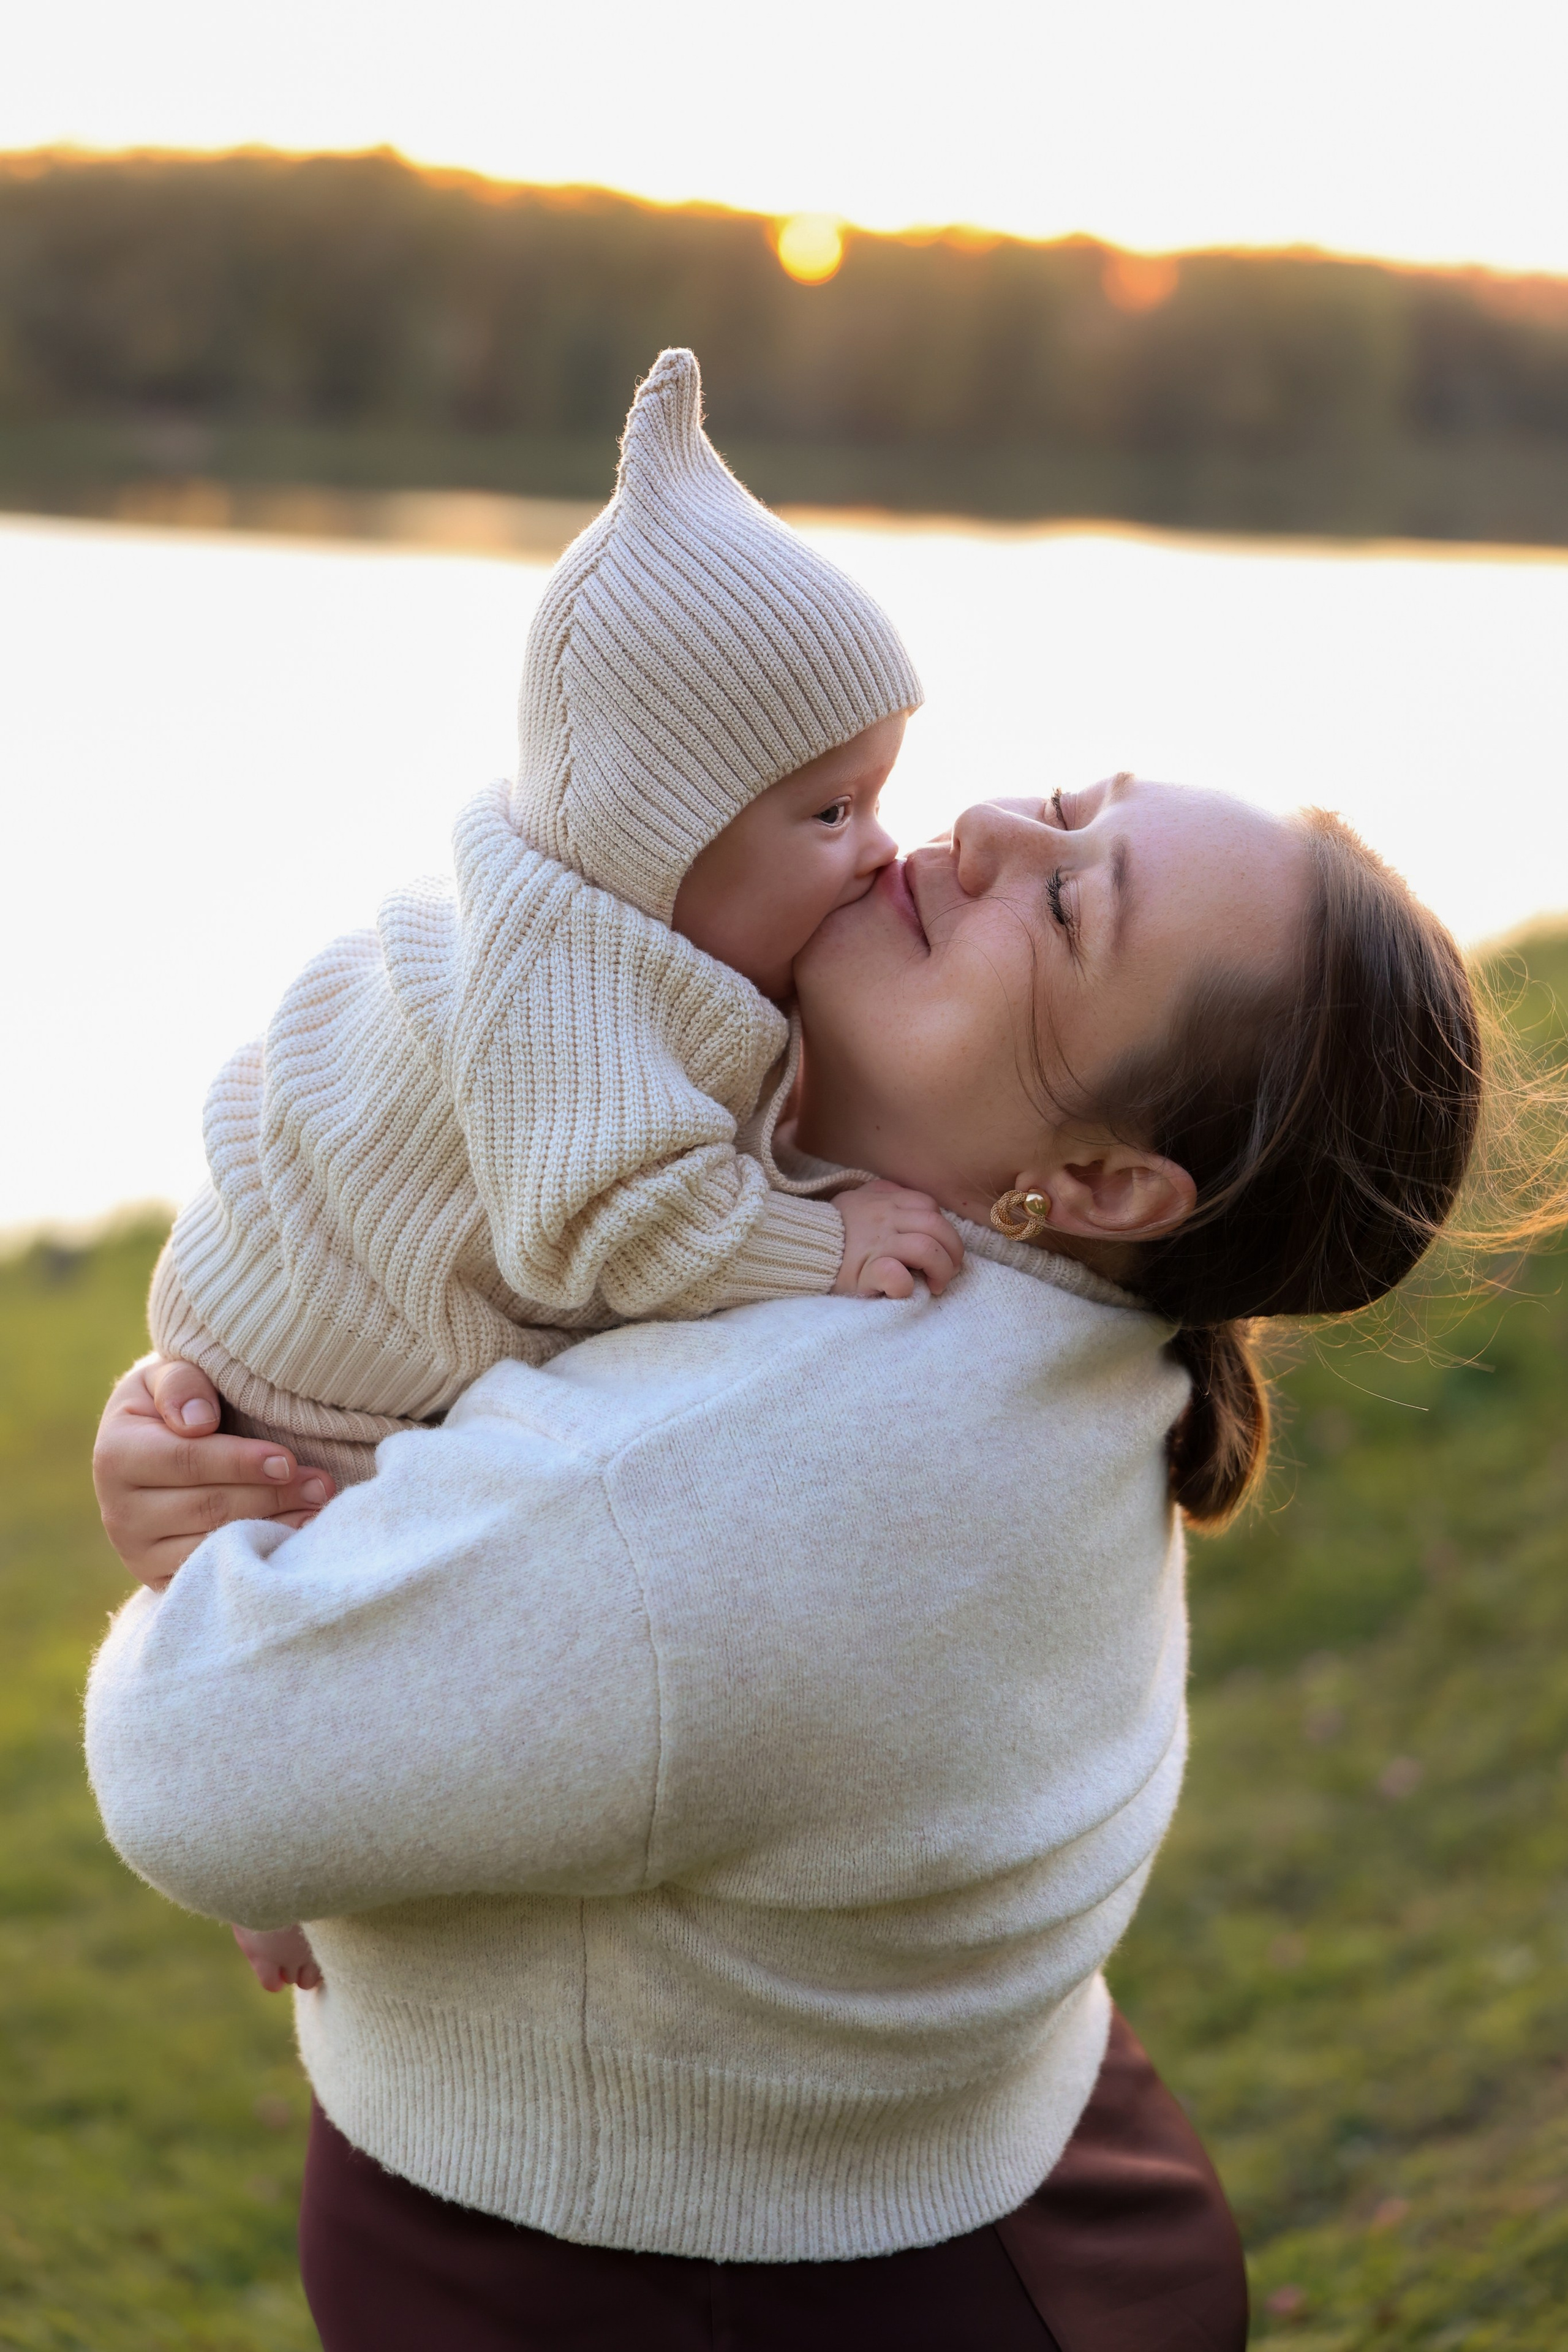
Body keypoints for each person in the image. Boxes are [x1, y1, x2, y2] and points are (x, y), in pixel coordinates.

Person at [88, 755, 1499, 2347]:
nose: (987, 832)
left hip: (685, 2283)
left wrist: (204, 1549)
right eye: (1065, 806)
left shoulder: (754, 1469)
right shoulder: (1015, 1304)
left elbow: (194, 1766)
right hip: (981, 2175)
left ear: (1103, 1182)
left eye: (1066, 907)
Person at [148, 345, 954, 1511]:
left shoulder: (659, 938)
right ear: (657, 838)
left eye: (876, 799)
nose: (881, 845)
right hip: (308, 1384)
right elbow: (620, 1222)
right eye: (834, 812)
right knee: (443, 1542)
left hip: (318, 1319)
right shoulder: (559, 985)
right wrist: (824, 1247)